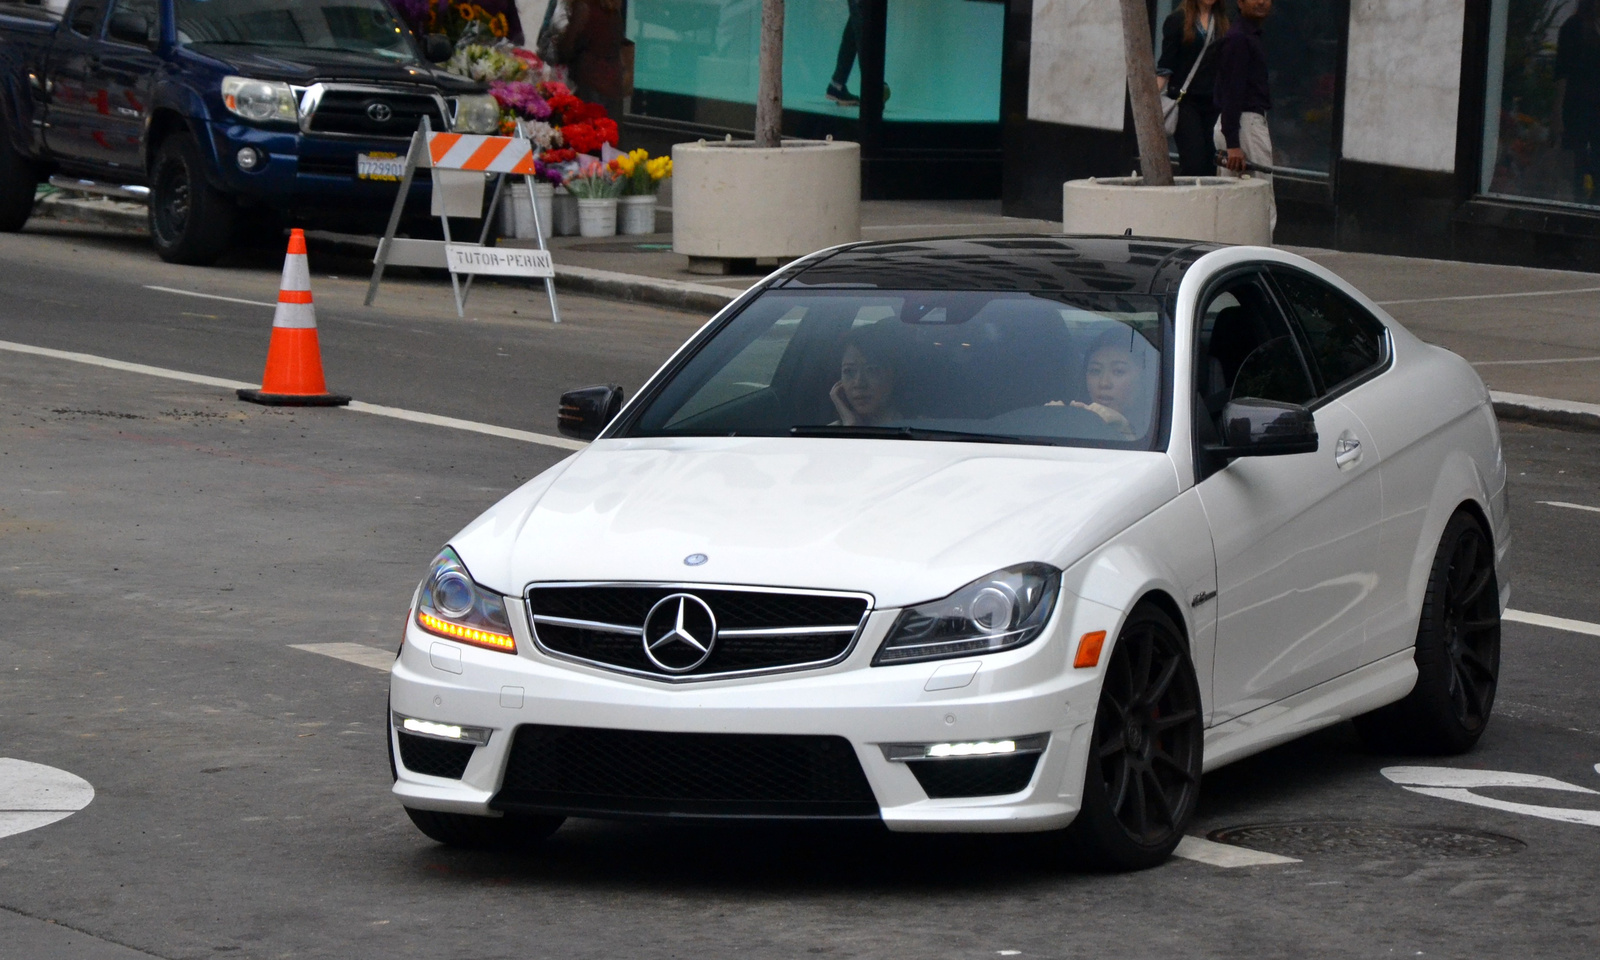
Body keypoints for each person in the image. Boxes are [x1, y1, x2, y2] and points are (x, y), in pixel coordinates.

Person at [1213, 0, 1276, 233]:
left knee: (1235, 203)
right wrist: (1233, 144)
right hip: (1243, 124)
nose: (1261, 2)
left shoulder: (1249, 36)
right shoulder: (1239, 38)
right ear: (1239, 2)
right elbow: (1232, 91)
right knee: (1261, 202)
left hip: (1240, 124)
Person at [1157, 0, 1228, 177]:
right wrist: (1150, 102)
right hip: (1186, 102)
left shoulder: (1223, 22)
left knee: (1212, 165)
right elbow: (1165, 66)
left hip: (1214, 102)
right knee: (1193, 164)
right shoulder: (1177, 20)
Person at [1068, 327, 1151, 441]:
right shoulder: (1071, 425)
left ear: (1144, 378)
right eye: (1095, 371)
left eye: (1118, 371)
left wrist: (1125, 430)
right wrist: (1054, 419)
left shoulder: (1169, 432)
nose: (1104, 383)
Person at [1555, 0, 1600, 204]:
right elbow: (1562, 73)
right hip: (1579, 107)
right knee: (1578, 167)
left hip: (1588, 107)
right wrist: (1557, 115)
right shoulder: (1574, 27)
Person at [829, 327, 904, 426]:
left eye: (871, 370)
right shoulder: (828, 435)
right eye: (849, 371)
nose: (859, 383)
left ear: (892, 376)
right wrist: (850, 427)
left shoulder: (922, 430)